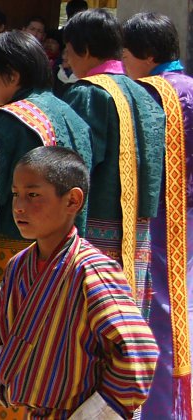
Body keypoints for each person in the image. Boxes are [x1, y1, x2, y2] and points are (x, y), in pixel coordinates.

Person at [0, 146, 159, 419]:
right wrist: (3, 379)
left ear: (72, 201)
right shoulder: (19, 266)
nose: (18, 206)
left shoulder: (92, 271)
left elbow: (139, 353)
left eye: (33, 195)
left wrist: (94, 413)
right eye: (16, 194)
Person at [0, 30, 92, 419]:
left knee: (16, 343)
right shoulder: (71, 114)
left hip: (16, 250)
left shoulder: (9, 122)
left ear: (11, 76)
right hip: (72, 248)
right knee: (61, 342)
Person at [62, 9, 165, 319]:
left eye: (69, 50)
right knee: (124, 320)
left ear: (86, 49)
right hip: (137, 234)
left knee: (85, 319)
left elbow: (73, 164)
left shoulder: (89, 94)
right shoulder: (146, 93)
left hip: (94, 230)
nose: (67, 59)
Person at [122, 12, 193, 419]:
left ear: (147, 55)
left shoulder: (155, 94)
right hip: (184, 215)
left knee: (161, 315)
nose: (124, 63)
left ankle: (162, 409)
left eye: (127, 54)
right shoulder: (187, 87)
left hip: (165, 220)